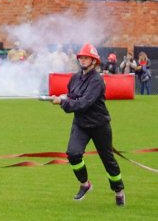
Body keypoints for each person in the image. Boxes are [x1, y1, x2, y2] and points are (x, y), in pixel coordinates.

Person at [51, 43, 125, 207]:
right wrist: (63, 97)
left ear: (94, 61)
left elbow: (84, 103)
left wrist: (62, 103)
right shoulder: (75, 78)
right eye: (81, 57)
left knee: (108, 160)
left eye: (86, 58)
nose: (83, 60)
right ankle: (85, 184)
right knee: (73, 154)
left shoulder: (97, 81)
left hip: (99, 125)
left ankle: (119, 191)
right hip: (81, 124)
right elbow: (72, 96)